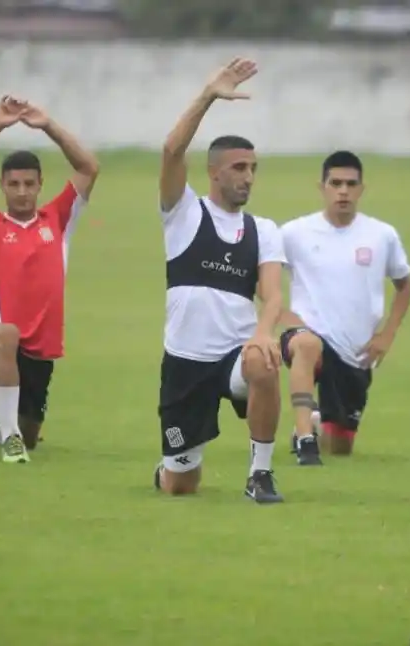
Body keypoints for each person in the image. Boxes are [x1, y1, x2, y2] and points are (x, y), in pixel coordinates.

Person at [153, 58, 287, 503]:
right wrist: (208, 95)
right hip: (185, 362)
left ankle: (260, 475)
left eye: (252, 168)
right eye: (238, 168)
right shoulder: (184, 213)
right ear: (213, 172)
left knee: (264, 362)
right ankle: (170, 469)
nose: (247, 177)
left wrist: (264, 333)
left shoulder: (263, 230)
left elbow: (271, 295)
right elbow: (172, 151)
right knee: (181, 487)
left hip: (236, 355)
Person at [0, 95, 99, 463]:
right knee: (7, 333)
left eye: (28, 184)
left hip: (40, 350)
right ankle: (10, 440)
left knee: (30, 433)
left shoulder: (58, 219)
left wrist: (47, 124)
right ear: (1, 185)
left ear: (39, 184)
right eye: (13, 184)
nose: (21, 191)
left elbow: (88, 168)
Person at [278, 150, 410, 465]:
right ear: (322, 187)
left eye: (350, 184)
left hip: (356, 352)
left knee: (339, 447)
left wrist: (386, 336)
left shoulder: (382, 235)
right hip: (309, 336)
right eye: (335, 183)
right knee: (306, 345)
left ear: (361, 189)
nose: (343, 191)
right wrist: (284, 316)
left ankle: (314, 424)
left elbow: (404, 285)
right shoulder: (294, 233)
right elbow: (261, 276)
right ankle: (305, 439)